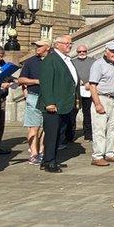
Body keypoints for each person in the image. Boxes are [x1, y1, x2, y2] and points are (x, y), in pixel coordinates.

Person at [38, 35, 79, 173]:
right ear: (57, 45)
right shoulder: (51, 60)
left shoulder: (66, 59)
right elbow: (46, 82)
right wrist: (49, 102)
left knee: (58, 134)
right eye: (67, 43)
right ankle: (49, 161)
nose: (70, 45)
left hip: (64, 104)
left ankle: (50, 159)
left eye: (71, 43)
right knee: (52, 134)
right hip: (54, 104)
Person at [88, 41, 114, 166]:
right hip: (102, 98)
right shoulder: (98, 64)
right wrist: (97, 103)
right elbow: (92, 85)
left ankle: (109, 153)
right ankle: (97, 156)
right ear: (106, 51)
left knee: (112, 128)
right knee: (100, 129)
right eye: (113, 51)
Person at [18, 39, 50, 165]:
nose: (37, 48)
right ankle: (34, 153)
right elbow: (21, 79)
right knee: (34, 127)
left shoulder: (54, 60)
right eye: (36, 46)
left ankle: (42, 151)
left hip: (49, 98)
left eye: (40, 46)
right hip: (34, 96)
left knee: (48, 127)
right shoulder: (31, 61)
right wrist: (36, 81)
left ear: (47, 47)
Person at [72, 44, 95, 141]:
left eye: (84, 51)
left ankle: (88, 134)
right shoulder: (72, 62)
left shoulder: (93, 61)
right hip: (76, 91)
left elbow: (97, 74)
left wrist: (89, 82)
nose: (82, 53)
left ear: (87, 51)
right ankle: (70, 135)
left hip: (88, 90)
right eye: (79, 51)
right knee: (73, 113)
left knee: (88, 113)